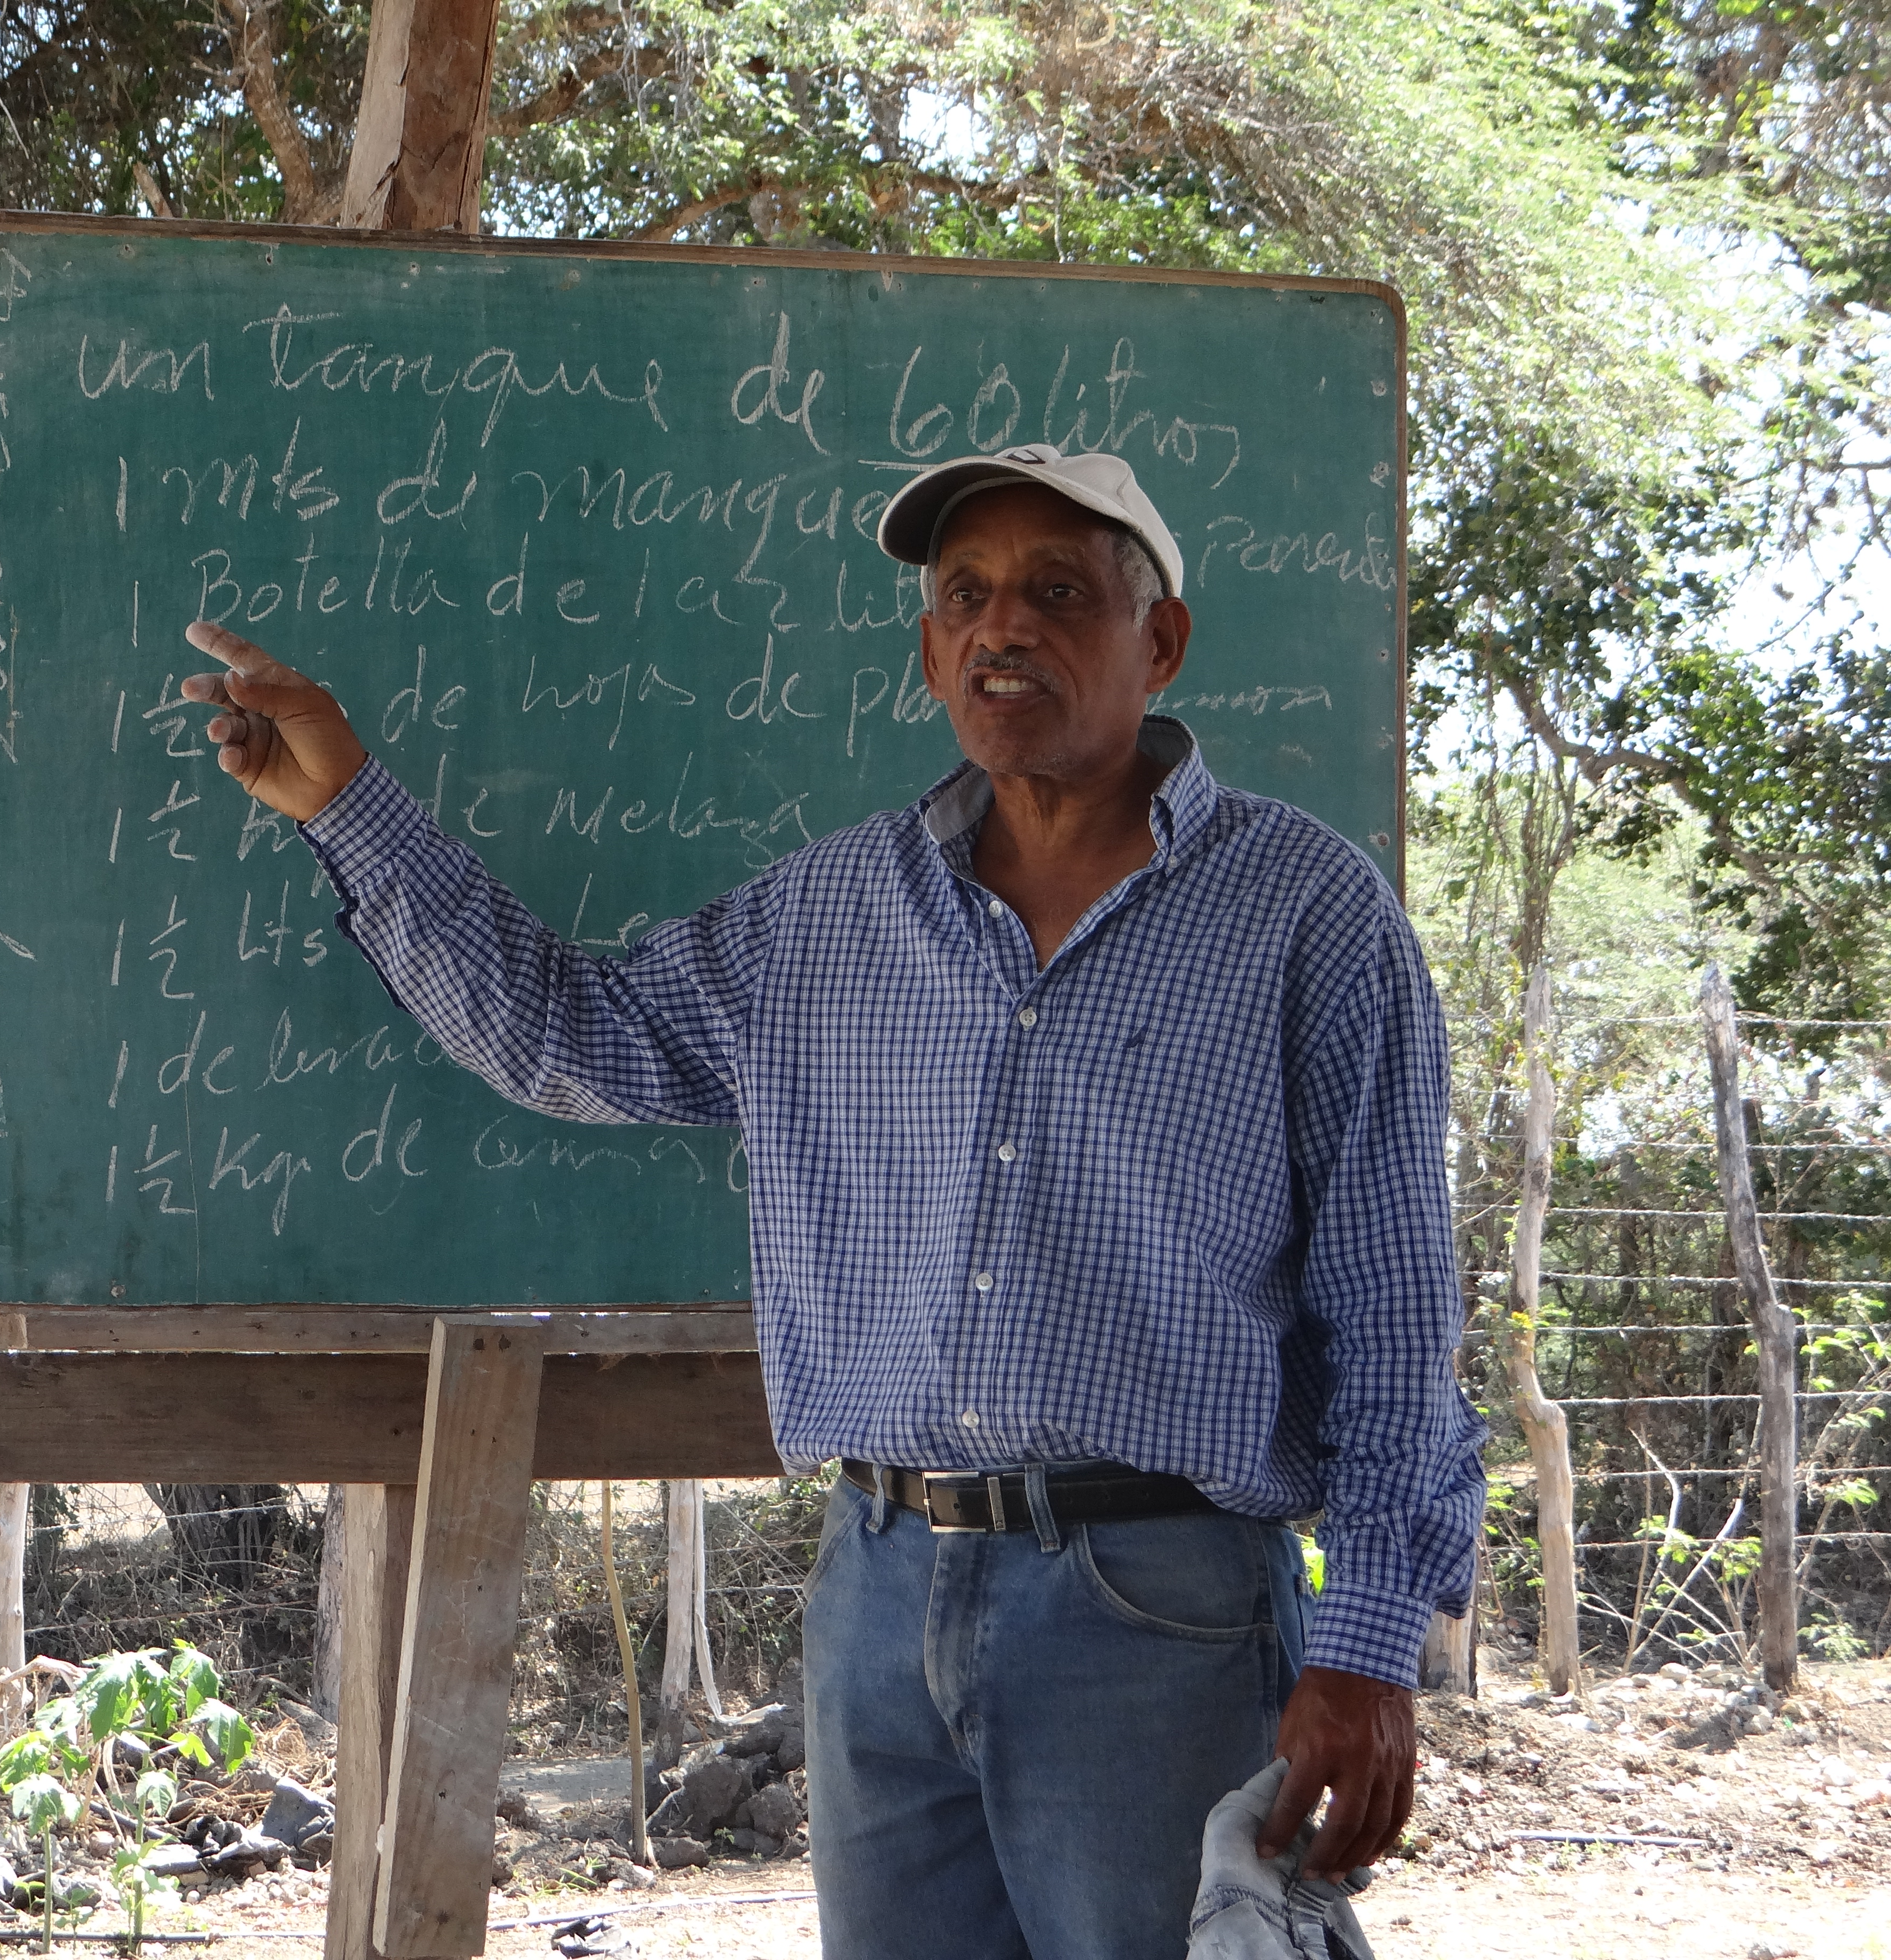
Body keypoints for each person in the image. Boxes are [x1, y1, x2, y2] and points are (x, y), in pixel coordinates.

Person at [175, 443, 1486, 1959]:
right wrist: (347, 803)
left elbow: (1393, 1317)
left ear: (1161, 641)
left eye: (1059, 594)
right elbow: (568, 1037)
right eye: (967, 598)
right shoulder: (828, 917)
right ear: (932, 651)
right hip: (879, 1589)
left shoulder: (1307, 916)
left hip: (1160, 1610)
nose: (1006, 629)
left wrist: (1373, 1643)